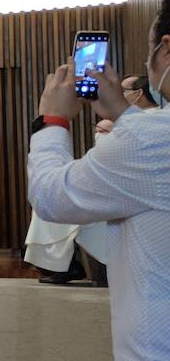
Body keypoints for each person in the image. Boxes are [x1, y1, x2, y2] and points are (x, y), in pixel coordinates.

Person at [28, 0, 170, 361]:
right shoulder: (150, 134)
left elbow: (52, 195)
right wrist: (125, 114)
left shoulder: (154, 140)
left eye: (151, 50)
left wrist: (54, 121)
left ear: (167, 50)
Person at [23, 120, 113, 285]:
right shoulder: (97, 153)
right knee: (51, 204)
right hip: (97, 200)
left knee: (57, 207)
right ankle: (61, 264)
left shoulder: (124, 148)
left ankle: (61, 265)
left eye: (105, 132)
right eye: (97, 131)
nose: (99, 135)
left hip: (110, 204)